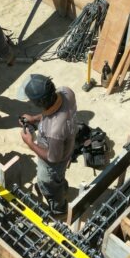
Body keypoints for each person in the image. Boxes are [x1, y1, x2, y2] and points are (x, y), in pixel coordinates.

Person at [18, 74, 78, 214]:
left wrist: (30, 143)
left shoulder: (54, 130)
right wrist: (35, 118)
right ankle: (61, 187)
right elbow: (51, 112)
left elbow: (53, 158)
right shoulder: (66, 92)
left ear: (39, 103)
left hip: (54, 162)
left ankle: (59, 209)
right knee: (58, 178)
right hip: (66, 143)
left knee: (47, 181)